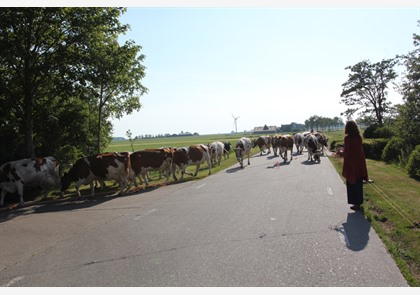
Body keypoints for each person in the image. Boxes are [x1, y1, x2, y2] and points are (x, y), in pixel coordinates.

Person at [342, 120, 368, 211]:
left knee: (351, 184)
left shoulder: (347, 138)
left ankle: (356, 204)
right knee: (358, 183)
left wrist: (341, 152)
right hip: (359, 163)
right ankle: (358, 203)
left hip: (351, 164)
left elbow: (347, 152)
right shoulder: (359, 137)